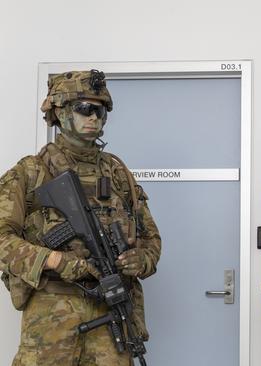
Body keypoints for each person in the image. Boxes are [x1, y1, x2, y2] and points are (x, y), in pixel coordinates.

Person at [0, 70, 161, 365]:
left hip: (111, 313)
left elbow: (151, 238)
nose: (94, 117)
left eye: (100, 110)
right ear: (59, 112)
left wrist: (142, 259)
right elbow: (2, 238)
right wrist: (54, 260)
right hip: (51, 317)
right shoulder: (30, 172)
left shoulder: (118, 175)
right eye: (84, 108)